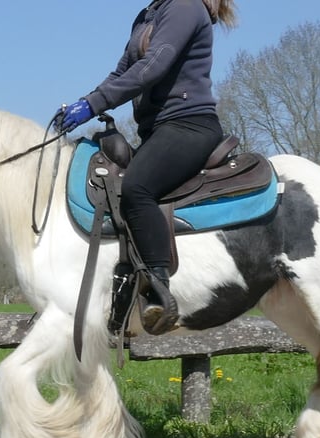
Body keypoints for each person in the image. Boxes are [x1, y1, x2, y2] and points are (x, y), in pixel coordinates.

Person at [57, 0, 238, 335]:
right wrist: (85, 102)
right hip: (158, 130)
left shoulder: (184, 6)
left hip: (189, 125)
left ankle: (159, 294)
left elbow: (152, 66)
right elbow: (122, 73)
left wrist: (94, 104)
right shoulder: (148, 15)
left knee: (137, 188)